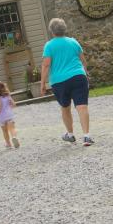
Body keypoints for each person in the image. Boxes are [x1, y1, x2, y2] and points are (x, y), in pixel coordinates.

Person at [40, 18, 93, 146]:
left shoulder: (49, 45)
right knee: (82, 106)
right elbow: (83, 60)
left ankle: (70, 135)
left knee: (65, 107)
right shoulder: (73, 42)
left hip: (59, 81)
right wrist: (86, 73)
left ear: (52, 31)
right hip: (78, 76)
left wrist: (42, 83)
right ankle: (86, 136)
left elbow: (46, 65)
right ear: (64, 29)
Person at [0, 81, 19, 149]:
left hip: (1, 117)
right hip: (9, 115)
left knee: (5, 131)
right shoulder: (7, 95)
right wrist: (10, 107)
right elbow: (14, 104)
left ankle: (8, 144)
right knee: (12, 128)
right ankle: (14, 137)